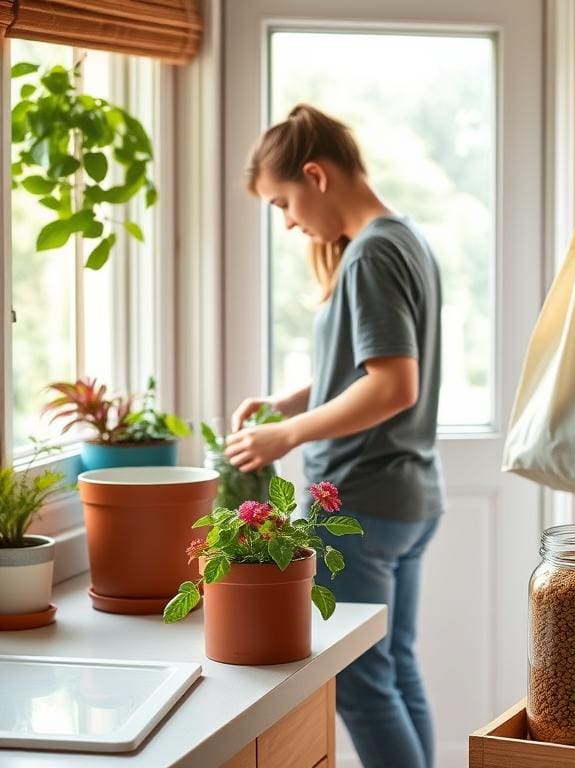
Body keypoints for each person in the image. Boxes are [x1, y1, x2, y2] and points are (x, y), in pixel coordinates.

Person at [225, 104, 444, 768]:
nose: (288, 221)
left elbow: (391, 386)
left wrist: (285, 435)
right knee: (395, 670)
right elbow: (361, 369)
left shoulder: (371, 254)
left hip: (361, 503)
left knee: (361, 686)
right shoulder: (403, 238)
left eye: (282, 202)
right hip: (407, 498)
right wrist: (289, 400)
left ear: (315, 176)